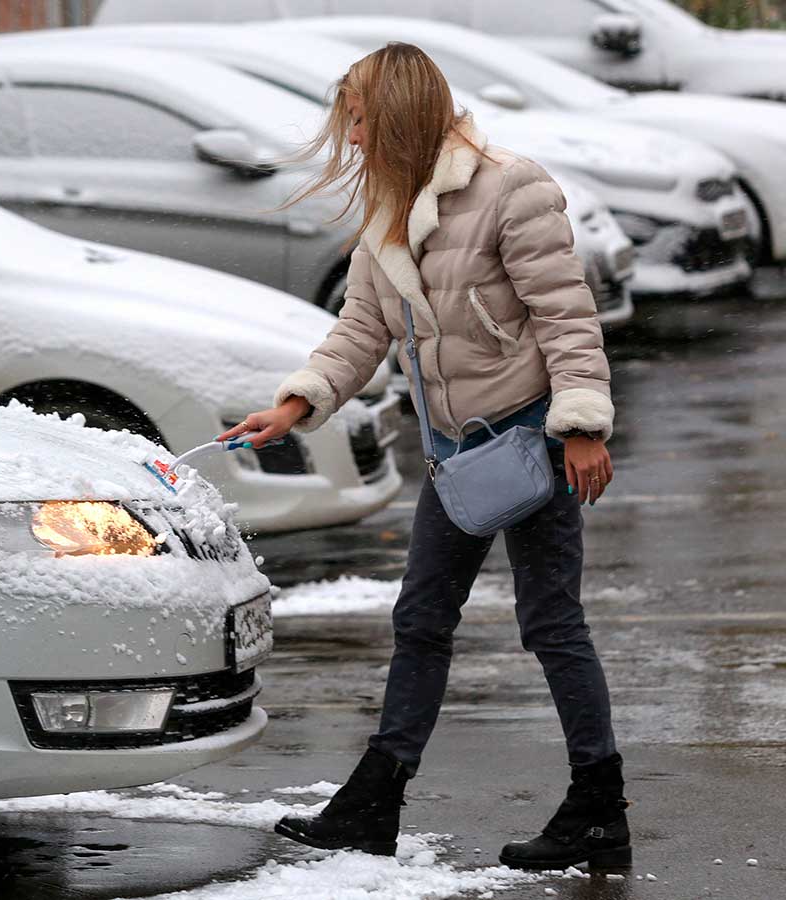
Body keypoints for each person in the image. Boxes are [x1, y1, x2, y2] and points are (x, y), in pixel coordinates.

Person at [219, 44, 629, 871]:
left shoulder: (514, 188)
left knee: (551, 623)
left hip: (530, 439)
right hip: (454, 453)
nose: (355, 139)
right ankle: (374, 803)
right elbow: (362, 326)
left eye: (362, 121)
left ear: (400, 114)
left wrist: (581, 422)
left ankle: (598, 804)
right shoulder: (387, 207)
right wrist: (299, 403)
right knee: (420, 622)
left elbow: (566, 312)